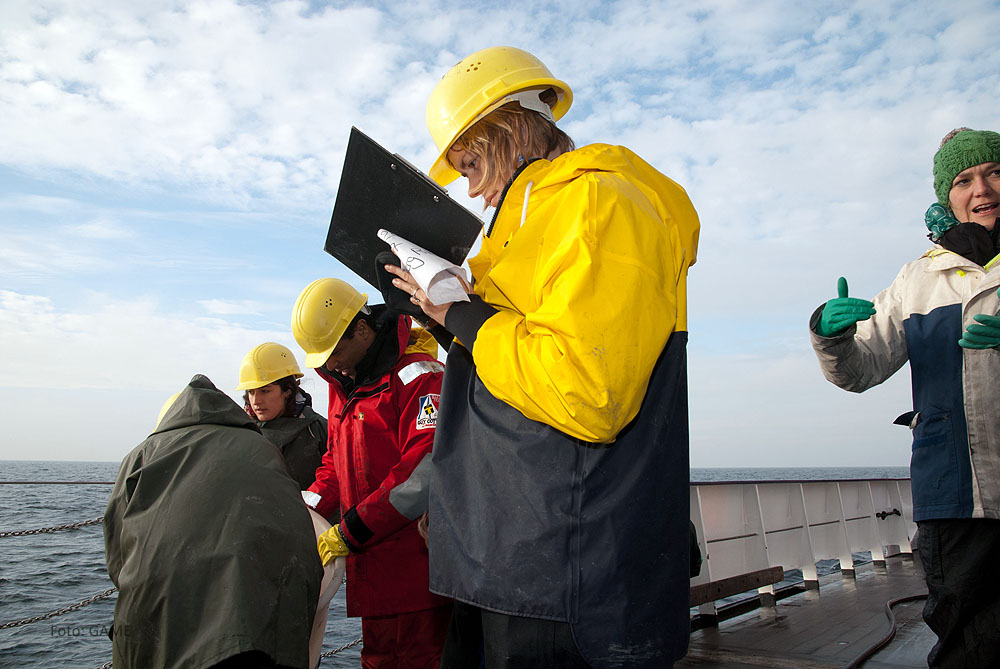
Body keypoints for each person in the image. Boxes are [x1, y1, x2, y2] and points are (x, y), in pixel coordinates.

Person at [387, 46, 700, 668]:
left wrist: (464, 317)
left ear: (510, 126)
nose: (471, 189)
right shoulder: (518, 235)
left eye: (471, 162)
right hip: (503, 561)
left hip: (565, 581)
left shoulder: (600, 205)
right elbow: (508, 380)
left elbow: (589, 393)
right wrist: (457, 505)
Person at [809, 127, 1000, 668]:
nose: (981, 189)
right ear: (947, 197)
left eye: (995, 172)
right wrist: (831, 335)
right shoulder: (917, 279)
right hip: (954, 495)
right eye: (964, 180)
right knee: (968, 643)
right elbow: (859, 370)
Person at [103, 374, 324, 669]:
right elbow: (296, 532)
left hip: (154, 613)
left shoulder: (140, 455)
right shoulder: (262, 448)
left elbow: (117, 553)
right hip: (250, 623)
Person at [291, 277, 452, 669]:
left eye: (334, 351)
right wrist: (300, 512)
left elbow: (422, 472)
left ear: (362, 330)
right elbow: (335, 463)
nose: (330, 364)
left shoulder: (421, 377)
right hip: (372, 573)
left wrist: (350, 531)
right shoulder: (344, 385)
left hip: (418, 573)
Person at [236, 342, 327, 490]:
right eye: (251, 392)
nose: (256, 401)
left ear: (287, 390)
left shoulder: (319, 430)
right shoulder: (240, 433)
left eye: (265, 391)